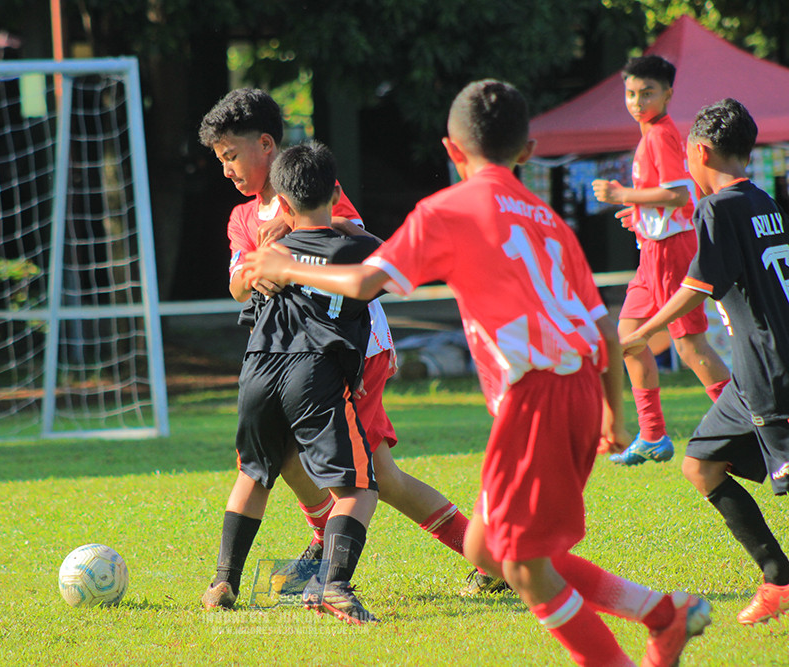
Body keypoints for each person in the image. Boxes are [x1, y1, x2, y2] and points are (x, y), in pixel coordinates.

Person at [246, 79, 711, 665]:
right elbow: (599, 326)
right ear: (528, 151)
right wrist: (614, 414)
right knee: (489, 547)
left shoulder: (448, 209)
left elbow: (366, 282)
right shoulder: (548, 219)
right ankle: (662, 613)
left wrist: (287, 265)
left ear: (451, 148)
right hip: (577, 389)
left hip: (536, 394)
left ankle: (649, 629)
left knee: (519, 563)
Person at [196, 88, 503, 603]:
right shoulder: (241, 218)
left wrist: (288, 238)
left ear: (265, 144)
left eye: (230, 155)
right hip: (289, 357)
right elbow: (236, 282)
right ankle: (331, 550)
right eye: (220, 160)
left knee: (372, 474)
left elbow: (355, 240)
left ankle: (470, 558)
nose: (226, 169)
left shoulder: (313, 186)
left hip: (348, 349)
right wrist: (257, 268)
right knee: (293, 460)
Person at [621, 98, 789, 626]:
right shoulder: (764, 202)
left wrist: (642, 334)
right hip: (749, 372)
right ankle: (778, 578)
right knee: (701, 464)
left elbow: (698, 285)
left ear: (698, 151)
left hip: (770, 368)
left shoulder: (715, 208)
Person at [201, 142, 384, 624]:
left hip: (258, 369)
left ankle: (224, 579)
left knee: (254, 473)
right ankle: (334, 585)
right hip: (314, 370)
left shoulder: (269, 251)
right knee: (360, 486)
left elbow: (246, 298)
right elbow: (391, 275)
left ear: (280, 199)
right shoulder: (360, 247)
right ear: (335, 192)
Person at [592, 54, 730, 466]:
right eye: (631, 93)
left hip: (672, 252)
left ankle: (750, 421)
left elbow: (679, 195)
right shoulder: (650, 133)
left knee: (689, 346)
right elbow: (666, 199)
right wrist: (637, 214)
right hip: (652, 253)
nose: (637, 101)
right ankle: (652, 435)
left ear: (668, 93)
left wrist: (621, 195)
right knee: (627, 339)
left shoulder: (660, 135)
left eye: (647, 92)